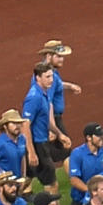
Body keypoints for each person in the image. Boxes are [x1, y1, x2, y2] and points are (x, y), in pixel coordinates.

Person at [22, 62, 72, 194]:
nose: (51, 80)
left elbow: (46, 121)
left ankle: (6, 200)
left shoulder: (43, 94)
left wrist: (59, 134)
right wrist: (31, 151)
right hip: (38, 145)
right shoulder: (34, 97)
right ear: (38, 78)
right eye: (47, 77)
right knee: (52, 184)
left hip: (42, 142)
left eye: (51, 77)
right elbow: (25, 125)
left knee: (28, 175)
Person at [38, 40, 82, 140]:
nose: (62, 59)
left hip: (51, 119)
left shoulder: (47, 71)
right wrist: (52, 128)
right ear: (49, 56)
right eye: (58, 56)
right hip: (50, 119)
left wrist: (70, 86)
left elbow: (57, 84)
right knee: (63, 151)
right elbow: (47, 102)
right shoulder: (49, 75)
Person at [67, 122, 103, 205]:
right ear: (89, 138)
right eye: (98, 135)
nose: (102, 138)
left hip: (101, 200)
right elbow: (74, 180)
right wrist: (91, 191)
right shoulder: (77, 154)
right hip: (80, 202)